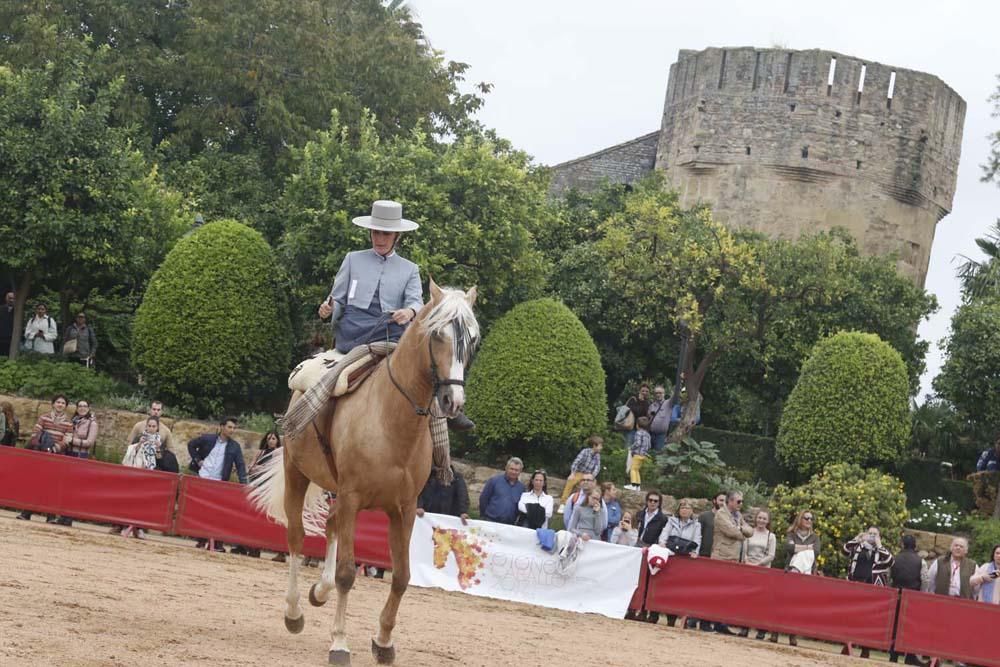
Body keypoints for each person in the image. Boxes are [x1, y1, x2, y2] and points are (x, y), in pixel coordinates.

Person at [317, 199, 473, 437]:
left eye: (386, 234)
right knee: (328, 379)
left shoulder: (410, 269)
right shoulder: (353, 258)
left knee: (426, 385)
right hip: (354, 330)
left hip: (390, 331)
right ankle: (302, 420)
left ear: (397, 237)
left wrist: (409, 312)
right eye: (376, 232)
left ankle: (442, 458)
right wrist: (329, 307)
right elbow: (337, 297)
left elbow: (415, 302)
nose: (379, 238)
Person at [188, 417, 247, 552]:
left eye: (233, 428)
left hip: (219, 483)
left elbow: (240, 465)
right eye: (229, 427)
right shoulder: (208, 438)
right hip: (203, 478)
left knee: (216, 513)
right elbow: (191, 444)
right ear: (221, 427)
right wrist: (198, 460)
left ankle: (214, 542)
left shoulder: (234, 446)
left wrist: (244, 483)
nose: (232, 430)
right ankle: (202, 540)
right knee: (202, 511)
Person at [17, 395, 73, 522]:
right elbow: (35, 434)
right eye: (58, 402)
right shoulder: (43, 417)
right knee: (36, 484)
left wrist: (54, 449)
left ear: (65, 406)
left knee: (52, 486)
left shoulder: (69, 423)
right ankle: (26, 513)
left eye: (63, 403)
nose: (60, 404)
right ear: (53, 404)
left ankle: (50, 516)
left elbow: (68, 439)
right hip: (41, 455)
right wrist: (43, 448)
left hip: (57, 457)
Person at [769, 509, 821, 646]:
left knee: (796, 605)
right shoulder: (791, 534)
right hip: (789, 572)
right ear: (800, 519)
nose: (809, 521)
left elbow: (816, 551)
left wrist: (800, 548)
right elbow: (789, 548)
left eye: (811, 518)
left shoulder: (815, 537)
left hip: (806, 574)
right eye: (806, 518)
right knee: (784, 602)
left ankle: (792, 635)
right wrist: (807, 547)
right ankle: (775, 632)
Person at [711, 491, 753, 636]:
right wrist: (742, 532)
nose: (741, 504)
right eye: (739, 501)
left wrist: (741, 530)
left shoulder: (738, 516)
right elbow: (732, 532)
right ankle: (699, 620)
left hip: (733, 559)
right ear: (729, 501)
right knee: (714, 592)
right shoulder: (721, 514)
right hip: (722, 557)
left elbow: (750, 531)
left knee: (725, 594)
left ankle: (719, 623)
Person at [688, 491, 727, 631]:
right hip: (704, 556)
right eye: (721, 500)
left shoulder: (728, 519)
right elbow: (698, 535)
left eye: (725, 501)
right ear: (714, 500)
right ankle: (693, 619)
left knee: (712, 592)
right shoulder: (705, 516)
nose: (723, 503)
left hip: (718, 558)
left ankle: (705, 622)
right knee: (700, 590)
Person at [889, 535, 930, 665]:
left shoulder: (894, 559)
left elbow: (889, 575)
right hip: (913, 598)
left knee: (895, 627)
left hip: (897, 596)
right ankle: (910, 656)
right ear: (915, 546)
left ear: (902, 545)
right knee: (911, 628)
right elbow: (925, 580)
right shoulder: (921, 561)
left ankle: (893, 656)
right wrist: (922, 594)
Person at [741, 508, 776, 639]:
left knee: (760, 602)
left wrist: (758, 564)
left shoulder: (771, 536)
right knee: (746, 600)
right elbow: (744, 549)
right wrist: (746, 561)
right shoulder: (750, 532)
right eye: (760, 518)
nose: (761, 520)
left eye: (764, 518)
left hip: (763, 570)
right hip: (748, 568)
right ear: (756, 518)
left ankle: (761, 630)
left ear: (768, 521)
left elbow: (771, 555)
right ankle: (744, 627)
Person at [557, 435, 603, 513]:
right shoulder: (585, 451)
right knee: (571, 482)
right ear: (594, 445)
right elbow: (576, 462)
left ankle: (591, 504)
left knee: (594, 487)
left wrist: (592, 475)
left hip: (589, 475)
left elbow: (597, 468)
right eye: (600, 445)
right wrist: (572, 473)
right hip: (579, 472)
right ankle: (563, 503)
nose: (601, 447)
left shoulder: (598, 456)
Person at [478, 457, 525, 524]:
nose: (513, 472)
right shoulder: (494, 481)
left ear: (520, 471)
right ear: (506, 468)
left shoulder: (521, 488)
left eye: (516, 470)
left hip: (509, 525)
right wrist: (483, 516)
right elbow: (483, 499)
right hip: (490, 521)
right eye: (511, 469)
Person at [625, 416, 652, 491]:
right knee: (637, 470)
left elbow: (637, 443)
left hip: (638, 454)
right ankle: (638, 485)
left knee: (633, 469)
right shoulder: (648, 434)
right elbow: (649, 445)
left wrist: (631, 448)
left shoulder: (638, 433)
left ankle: (633, 485)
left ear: (637, 425)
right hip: (643, 455)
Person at [622, 383, 651, 448]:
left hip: (641, 429)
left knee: (638, 448)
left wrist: (643, 402)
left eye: (646, 391)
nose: (644, 393)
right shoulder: (633, 399)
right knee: (628, 447)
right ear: (639, 391)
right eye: (643, 391)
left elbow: (645, 414)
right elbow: (635, 411)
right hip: (631, 427)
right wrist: (640, 401)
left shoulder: (647, 402)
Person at [647, 385, 671, 452]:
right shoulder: (651, 406)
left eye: (660, 393)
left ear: (664, 394)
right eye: (656, 393)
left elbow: (676, 395)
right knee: (649, 454)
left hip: (661, 435)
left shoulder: (668, 403)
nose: (658, 395)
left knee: (658, 455)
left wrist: (679, 379)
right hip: (650, 434)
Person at [0, 290, 15, 358]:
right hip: (1, 337)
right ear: (6, 298)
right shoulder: (1, 309)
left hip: (13, 338)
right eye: (10, 298)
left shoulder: (17, 310)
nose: (11, 300)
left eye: (13, 298)